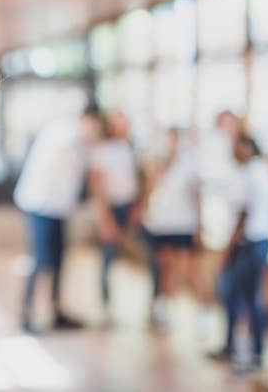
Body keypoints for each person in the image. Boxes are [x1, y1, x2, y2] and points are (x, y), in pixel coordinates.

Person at [14, 106, 101, 334]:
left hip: (58, 210)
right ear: (86, 119)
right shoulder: (64, 135)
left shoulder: (80, 142)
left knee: (60, 260)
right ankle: (26, 313)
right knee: (39, 261)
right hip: (41, 207)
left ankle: (56, 311)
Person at [210, 134, 268, 373]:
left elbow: (243, 214)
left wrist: (227, 250)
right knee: (234, 296)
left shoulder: (255, 172)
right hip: (251, 243)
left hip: (250, 244)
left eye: (236, 147)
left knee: (249, 299)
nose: (234, 152)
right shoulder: (255, 170)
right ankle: (234, 347)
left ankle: (255, 353)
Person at [141, 128, 201, 330]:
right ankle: (163, 308)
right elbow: (149, 190)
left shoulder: (189, 165)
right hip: (161, 223)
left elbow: (196, 194)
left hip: (183, 223)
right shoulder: (157, 165)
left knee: (183, 270)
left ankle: (193, 312)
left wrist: (200, 223)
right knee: (164, 267)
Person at [89, 111, 140, 325]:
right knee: (107, 258)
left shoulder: (129, 148)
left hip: (128, 208)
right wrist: (105, 216)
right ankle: (106, 306)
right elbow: (97, 185)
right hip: (111, 208)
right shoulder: (102, 151)